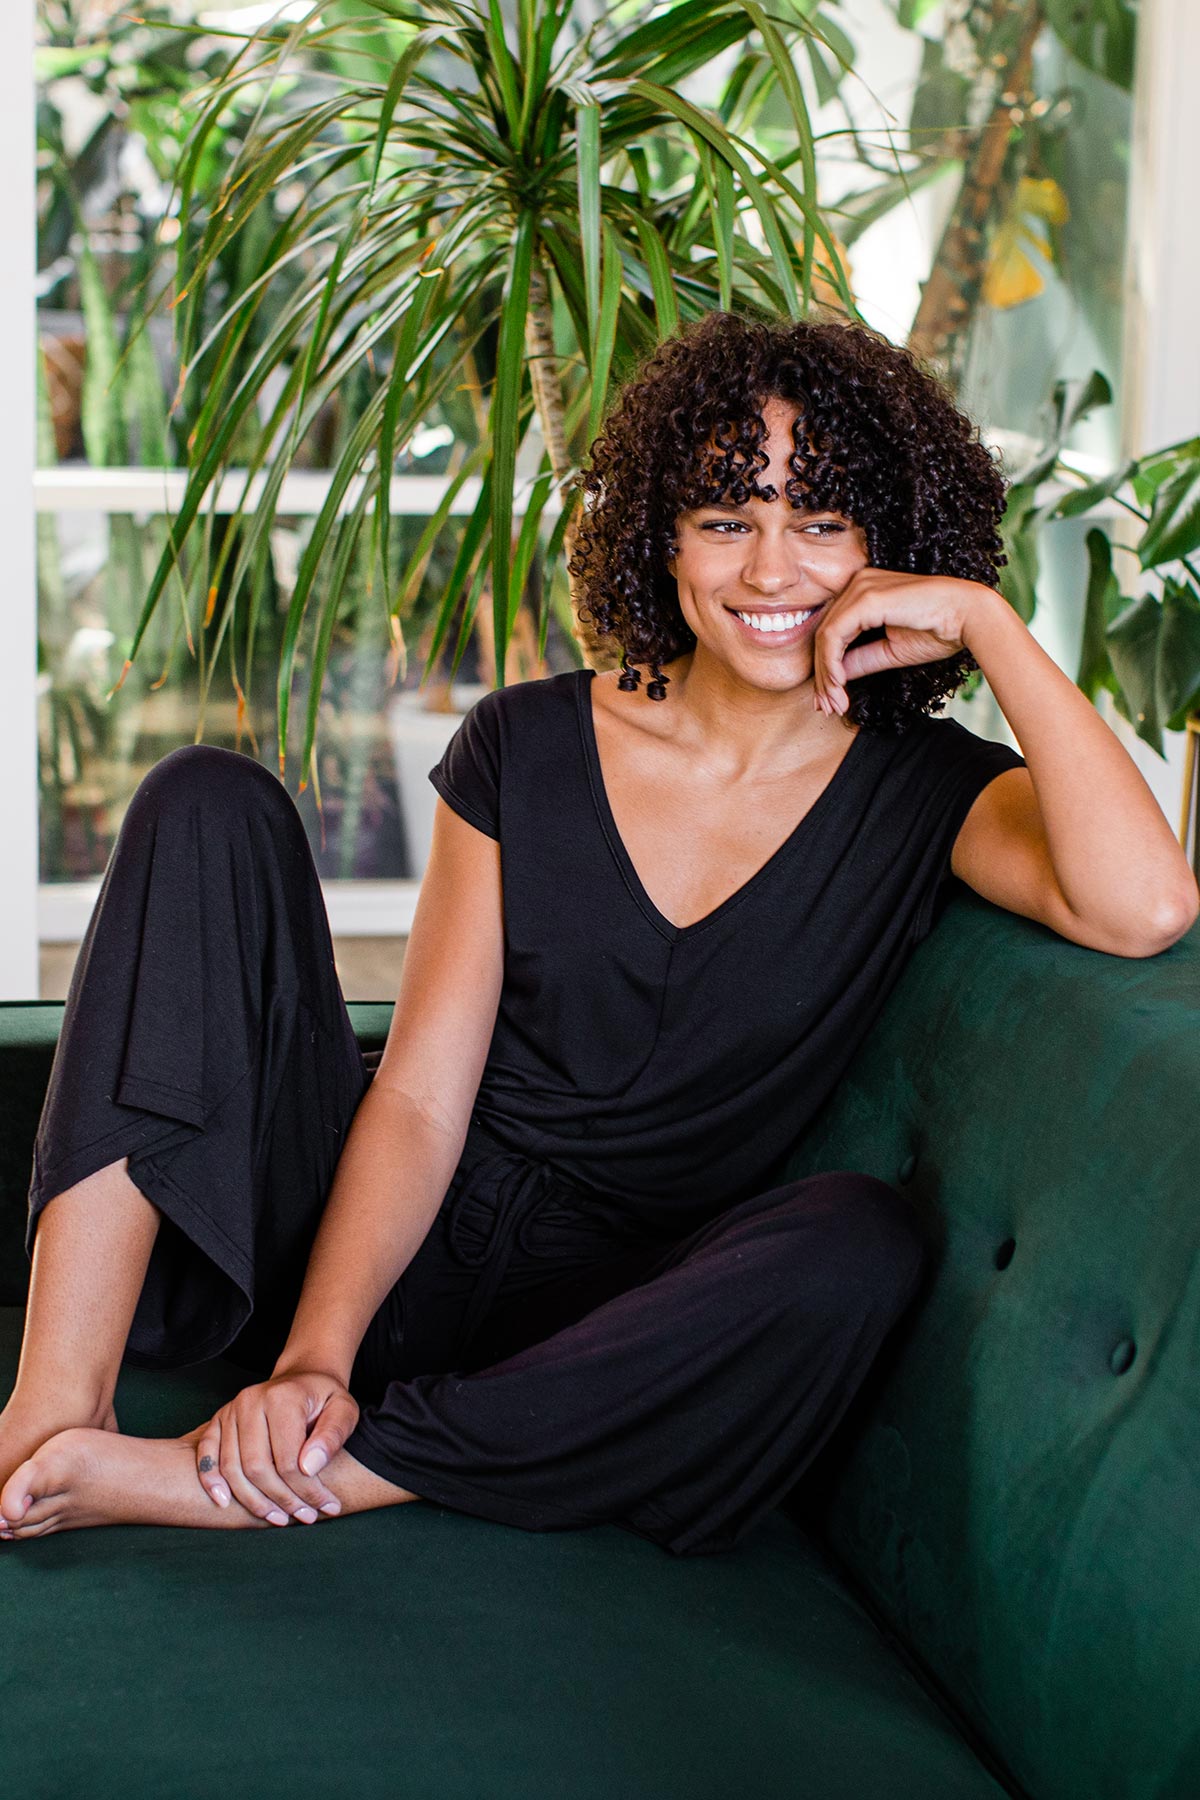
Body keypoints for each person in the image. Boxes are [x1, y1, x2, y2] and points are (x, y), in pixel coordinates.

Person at [1, 311, 1195, 1547]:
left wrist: (993, 626)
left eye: (820, 523)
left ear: (889, 551)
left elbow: (1147, 902)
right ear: (664, 542)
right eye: (726, 519)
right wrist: (316, 1356)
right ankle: (49, 1421)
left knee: (856, 1247)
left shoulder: (931, 791)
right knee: (204, 798)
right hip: (363, 1242)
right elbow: (417, 1096)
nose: (772, 570)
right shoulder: (525, 742)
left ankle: (308, 1477)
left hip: (596, 1327)